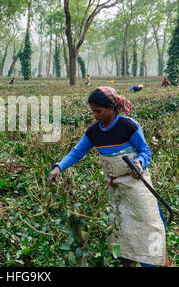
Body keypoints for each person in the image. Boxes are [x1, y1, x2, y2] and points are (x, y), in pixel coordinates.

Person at [48, 86, 169, 267]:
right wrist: (59, 167)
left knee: (148, 227)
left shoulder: (128, 126)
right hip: (115, 187)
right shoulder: (93, 132)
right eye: (92, 111)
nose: (95, 115)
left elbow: (145, 151)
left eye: (98, 111)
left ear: (111, 108)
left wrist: (138, 164)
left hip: (137, 185)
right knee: (121, 231)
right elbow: (76, 152)